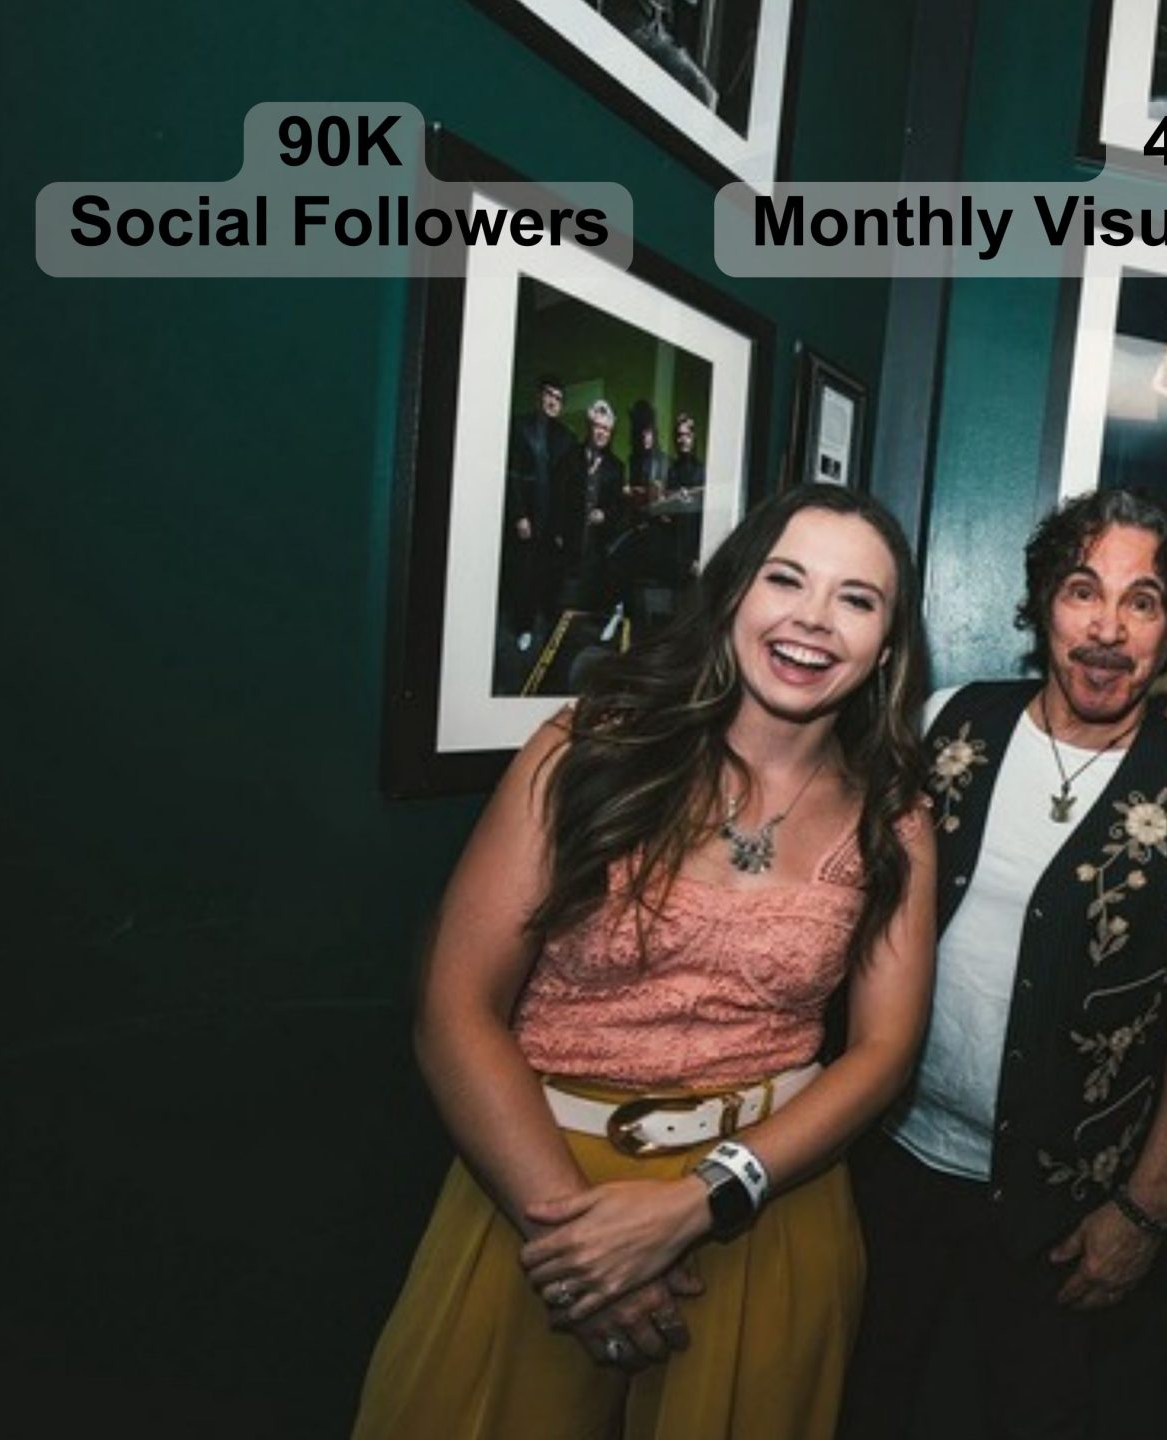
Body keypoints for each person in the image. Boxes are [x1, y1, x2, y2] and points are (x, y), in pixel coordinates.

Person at [353, 484, 939, 1440]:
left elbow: (883, 1052)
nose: (813, 619)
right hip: (539, 1194)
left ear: (886, 644)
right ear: (733, 591)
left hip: (766, 1208)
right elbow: (454, 1005)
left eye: (856, 598)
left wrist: (704, 1201)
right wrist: (579, 1249)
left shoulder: (894, 816)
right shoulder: (590, 748)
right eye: (785, 579)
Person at [839, 488, 1167, 1440]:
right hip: (889, 1165)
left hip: (1063, 1216)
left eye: (1142, 601)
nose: (1108, 629)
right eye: (1083, 591)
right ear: (1043, 605)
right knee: (869, 1403)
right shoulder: (948, 723)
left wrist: (1144, 1213)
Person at [504, 374, 576, 654]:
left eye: (558, 398)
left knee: (548, 577)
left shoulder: (567, 438)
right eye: (549, 394)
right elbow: (511, 474)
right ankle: (523, 627)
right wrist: (519, 514)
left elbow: (569, 487)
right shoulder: (520, 426)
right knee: (524, 575)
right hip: (528, 516)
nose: (553, 402)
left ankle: (546, 630)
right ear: (538, 396)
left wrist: (563, 528)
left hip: (553, 521)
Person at [551, 398, 623, 616]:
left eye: (606, 429)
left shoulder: (617, 467)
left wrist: (605, 514)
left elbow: (618, 507)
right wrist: (557, 533)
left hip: (598, 549)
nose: (601, 433)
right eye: (597, 426)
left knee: (591, 609)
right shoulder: (569, 457)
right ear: (589, 427)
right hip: (568, 542)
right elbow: (557, 498)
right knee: (562, 605)